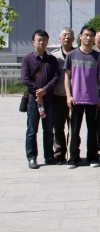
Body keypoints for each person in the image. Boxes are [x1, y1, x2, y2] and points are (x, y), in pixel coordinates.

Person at [64, 26, 100, 169]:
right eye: (86, 35)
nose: (88, 38)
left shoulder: (98, 57)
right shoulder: (72, 55)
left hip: (93, 99)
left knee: (93, 130)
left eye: (91, 36)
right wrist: (68, 95)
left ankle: (92, 157)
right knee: (74, 129)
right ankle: (73, 158)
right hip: (76, 99)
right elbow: (67, 77)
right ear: (80, 36)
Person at [22, 30, 60, 169]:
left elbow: (56, 76)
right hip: (33, 100)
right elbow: (25, 79)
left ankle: (49, 156)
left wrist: (45, 90)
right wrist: (38, 91)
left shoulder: (52, 59)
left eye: (44, 40)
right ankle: (32, 157)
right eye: (39, 39)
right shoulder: (27, 59)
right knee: (32, 130)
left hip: (49, 99)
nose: (42, 42)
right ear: (33, 42)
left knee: (48, 129)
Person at [51, 28, 74, 164]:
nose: (67, 37)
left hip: (74, 96)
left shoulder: (78, 54)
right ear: (59, 38)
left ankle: (72, 153)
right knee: (58, 127)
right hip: (58, 95)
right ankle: (59, 153)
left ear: (74, 39)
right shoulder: (54, 56)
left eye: (69, 35)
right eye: (64, 35)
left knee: (73, 127)